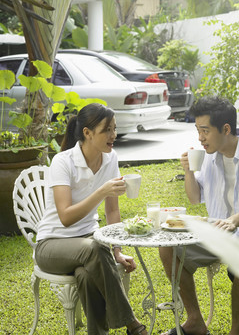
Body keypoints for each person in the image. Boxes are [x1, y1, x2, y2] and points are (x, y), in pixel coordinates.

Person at [159, 97, 239, 335]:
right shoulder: (210, 157)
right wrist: (188, 171)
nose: (200, 138)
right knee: (169, 247)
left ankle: (235, 332)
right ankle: (195, 322)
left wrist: (233, 221)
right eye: (198, 131)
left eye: (205, 131)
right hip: (221, 233)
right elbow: (194, 197)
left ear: (226, 129)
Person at [34, 103, 147, 335]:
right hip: (51, 245)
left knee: (85, 274)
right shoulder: (62, 162)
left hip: (87, 243)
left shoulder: (110, 157)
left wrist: (116, 250)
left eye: (114, 129)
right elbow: (65, 217)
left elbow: (112, 211)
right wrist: (101, 191)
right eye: (107, 130)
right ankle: (132, 324)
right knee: (95, 248)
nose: (113, 135)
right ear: (87, 133)